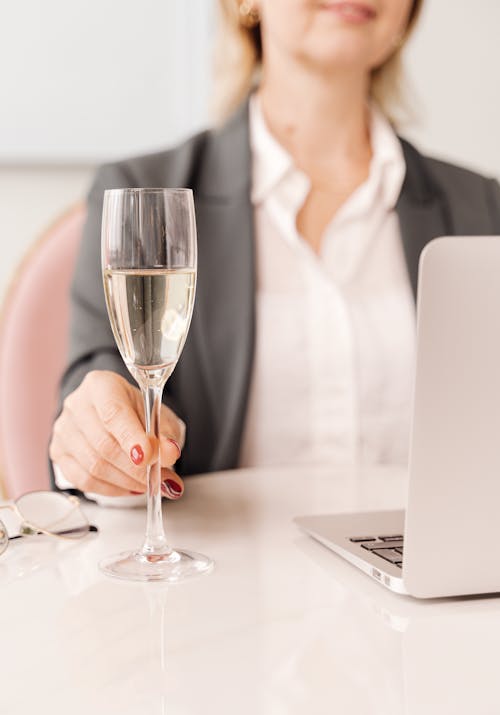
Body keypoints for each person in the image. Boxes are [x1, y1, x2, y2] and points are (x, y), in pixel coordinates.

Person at [49, 0, 500, 503]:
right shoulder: (144, 191)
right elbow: (105, 378)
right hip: (221, 573)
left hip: (430, 577)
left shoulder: (482, 208)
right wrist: (112, 432)